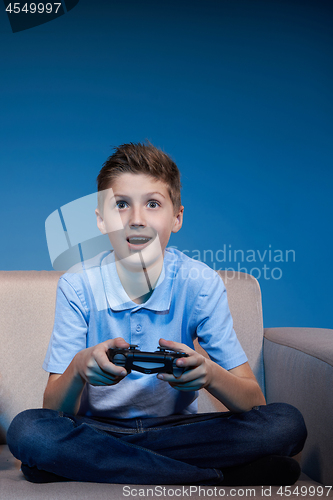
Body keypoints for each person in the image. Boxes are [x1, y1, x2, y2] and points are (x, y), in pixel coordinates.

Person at [7, 142, 306, 486]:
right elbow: (54, 410)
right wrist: (78, 368)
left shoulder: (200, 283)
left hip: (176, 432)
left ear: (177, 217)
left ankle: (89, 464)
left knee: (287, 422)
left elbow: (255, 401)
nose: (136, 220)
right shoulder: (78, 285)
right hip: (98, 430)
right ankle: (214, 477)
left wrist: (209, 374)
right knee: (29, 430)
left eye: (152, 204)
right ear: (101, 220)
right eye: (121, 205)